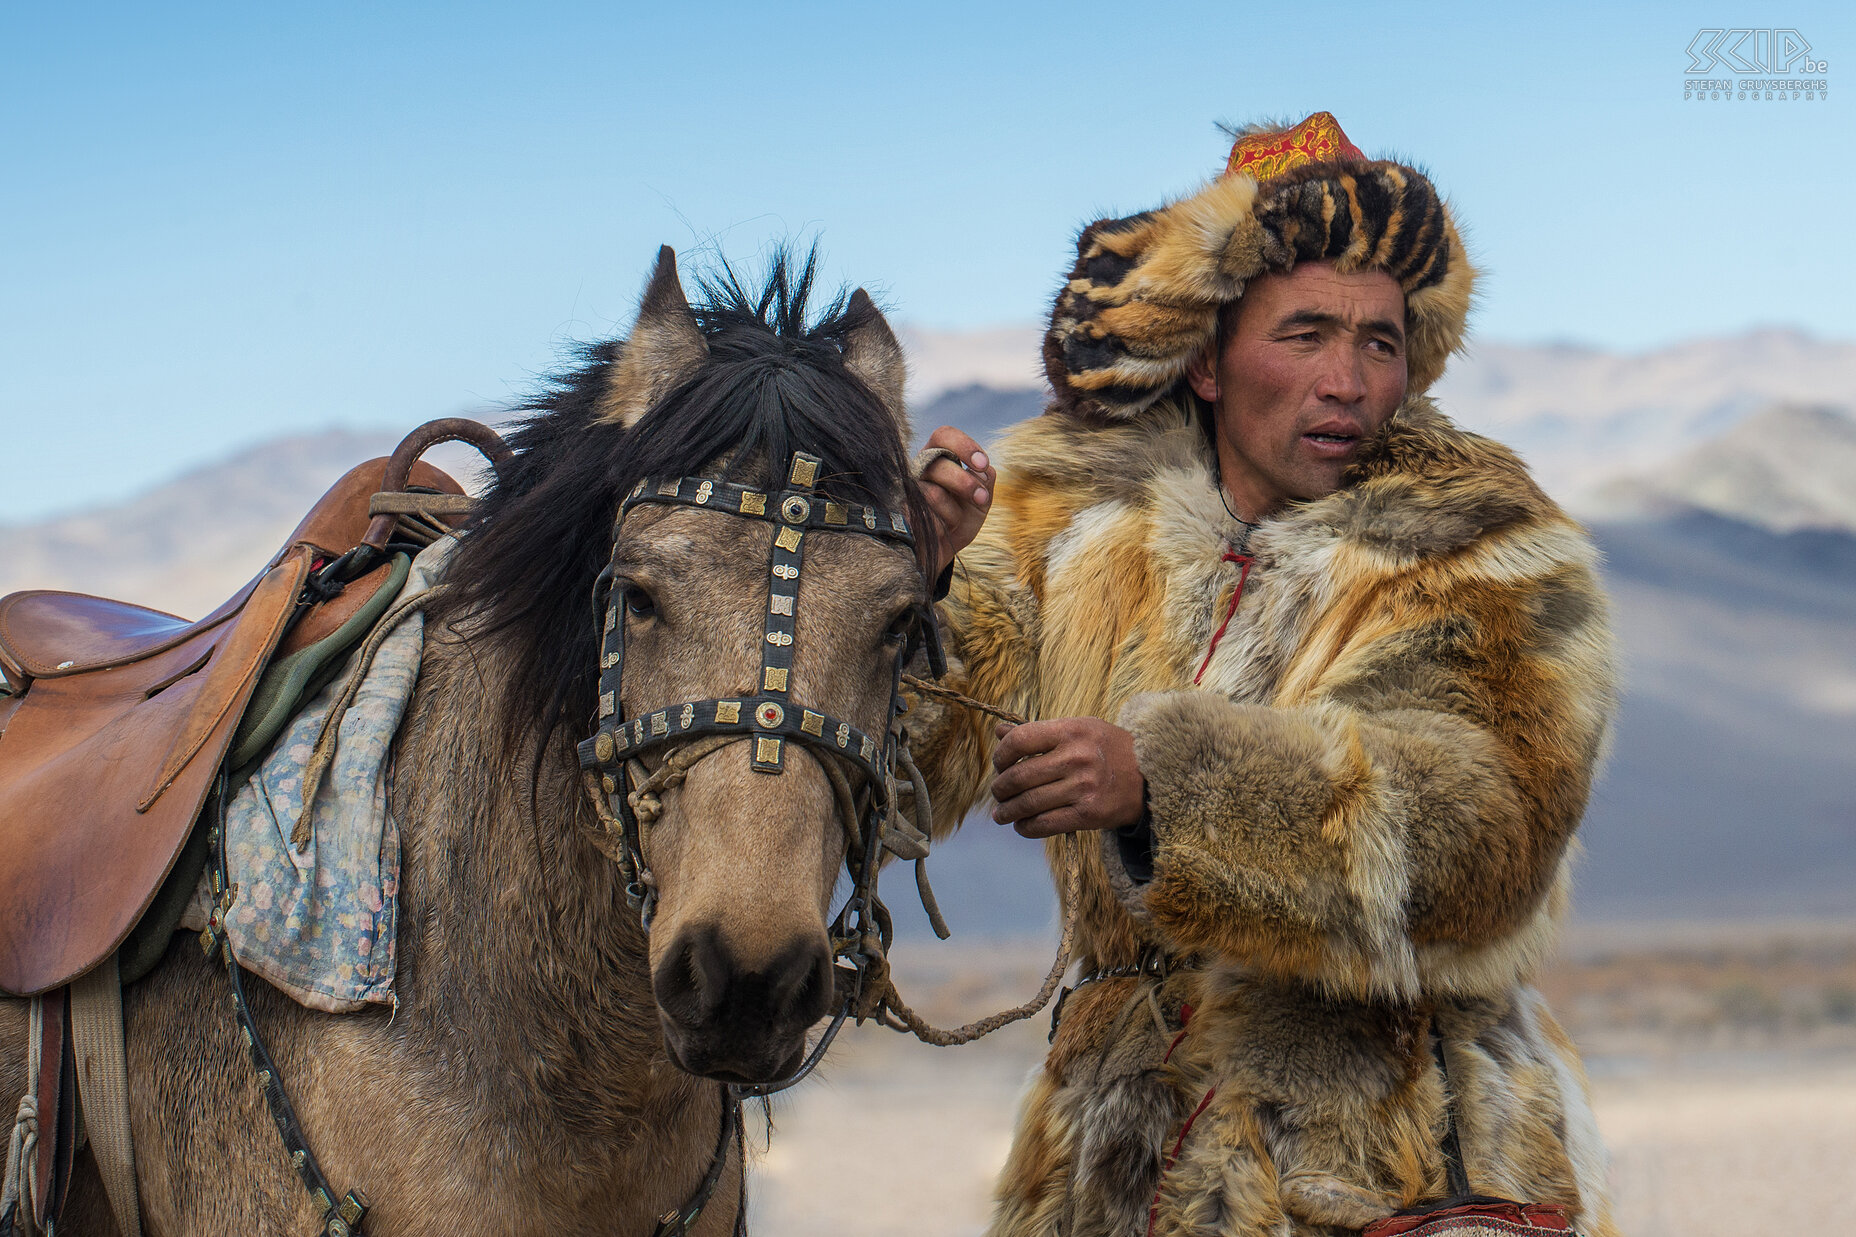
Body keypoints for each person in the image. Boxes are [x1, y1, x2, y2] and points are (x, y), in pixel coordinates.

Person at [913, 113, 1620, 1237]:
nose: (1345, 379)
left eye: (1378, 341)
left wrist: (1169, 785)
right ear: (1203, 357)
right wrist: (913, 586)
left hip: (1401, 1155)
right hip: (1110, 1161)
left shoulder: (1481, 542)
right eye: (1302, 333)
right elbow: (902, 777)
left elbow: (1481, 833)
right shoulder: (1058, 515)